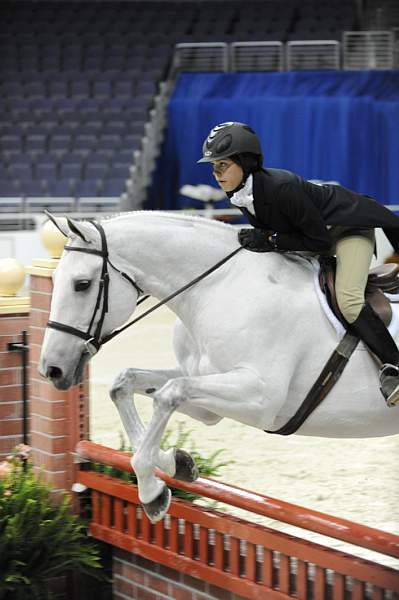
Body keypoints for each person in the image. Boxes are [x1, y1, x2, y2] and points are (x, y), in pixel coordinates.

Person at [198, 121, 399, 407]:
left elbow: (316, 241)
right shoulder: (241, 192)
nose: (216, 174)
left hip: (347, 229)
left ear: (245, 162)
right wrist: (269, 239)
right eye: (213, 167)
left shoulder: (281, 187)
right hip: (316, 237)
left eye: (222, 166)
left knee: (349, 299)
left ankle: (394, 367)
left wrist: (270, 239)